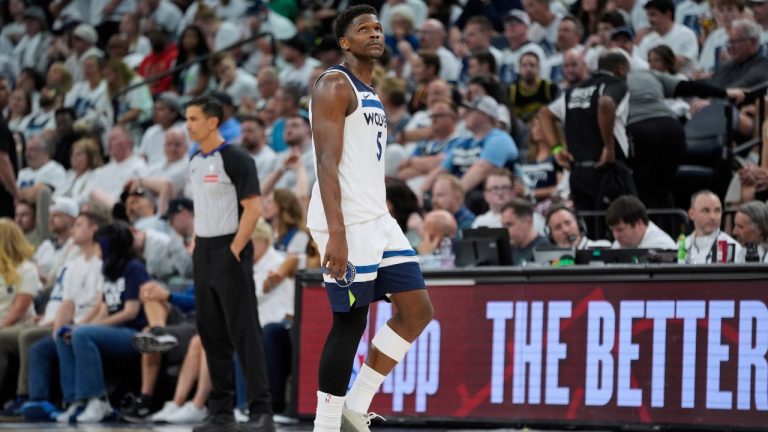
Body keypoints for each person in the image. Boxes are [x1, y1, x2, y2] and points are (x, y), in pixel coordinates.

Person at [307, 5, 434, 431]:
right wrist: (336, 234)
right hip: (346, 220)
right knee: (350, 322)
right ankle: (325, 426)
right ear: (345, 42)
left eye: (378, 27)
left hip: (377, 216)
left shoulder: (370, 89)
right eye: (364, 29)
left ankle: (356, 407)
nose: (375, 33)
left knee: (416, 310)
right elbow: (326, 161)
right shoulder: (333, 84)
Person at [185, 95, 274, 432]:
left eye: (193, 119)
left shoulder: (236, 158)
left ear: (212, 122)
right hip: (204, 252)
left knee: (244, 333)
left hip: (229, 250)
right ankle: (221, 412)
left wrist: (235, 248)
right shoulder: (194, 160)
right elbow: (204, 207)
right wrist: (196, 243)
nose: (188, 125)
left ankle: (261, 411)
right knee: (211, 334)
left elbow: (253, 208)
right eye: (187, 119)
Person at [538, 51, 635, 216]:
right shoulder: (615, 84)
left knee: (590, 231)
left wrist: (556, 149)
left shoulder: (574, 91)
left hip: (579, 174)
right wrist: (609, 148)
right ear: (620, 70)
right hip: (608, 171)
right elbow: (606, 103)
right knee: (625, 224)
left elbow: (544, 114)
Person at [683, 190, 742, 263]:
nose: (712, 217)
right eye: (706, 211)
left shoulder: (734, 248)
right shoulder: (681, 246)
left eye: (717, 211)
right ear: (692, 214)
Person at [606, 195, 677, 249]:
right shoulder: (619, 244)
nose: (616, 236)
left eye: (620, 230)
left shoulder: (662, 247)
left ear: (639, 223)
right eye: (613, 230)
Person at [501, 198, 551, 265]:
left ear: (528, 222)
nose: (505, 230)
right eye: (503, 225)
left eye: (509, 224)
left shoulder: (545, 250)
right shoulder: (509, 250)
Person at [545, 205, 611, 248]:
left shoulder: (602, 247)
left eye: (568, 223)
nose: (565, 230)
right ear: (551, 235)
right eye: (558, 227)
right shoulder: (549, 261)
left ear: (579, 224)